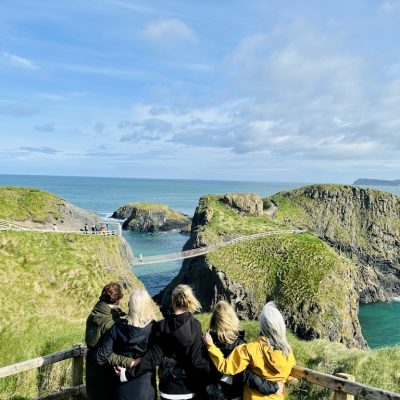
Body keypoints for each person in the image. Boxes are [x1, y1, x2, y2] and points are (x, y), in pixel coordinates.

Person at [123, 284, 211, 400]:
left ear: (173, 301)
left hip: (168, 389)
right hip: (189, 387)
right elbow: (197, 360)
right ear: (189, 300)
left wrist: (127, 374)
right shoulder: (195, 325)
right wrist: (218, 373)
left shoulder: (161, 326)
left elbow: (153, 357)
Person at [203, 302, 295, 400]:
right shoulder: (288, 353)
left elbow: (225, 367)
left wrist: (211, 346)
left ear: (262, 325)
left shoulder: (250, 349)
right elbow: (290, 376)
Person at [94, 288, 158, 400]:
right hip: (145, 389)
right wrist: (133, 362)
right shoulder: (154, 329)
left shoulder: (117, 328)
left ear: (130, 306)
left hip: (121, 389)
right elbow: (157, 358)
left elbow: (100, 357)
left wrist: (126, 363)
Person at [85, 283, 135, 400]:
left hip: (91, 367)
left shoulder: (94, 313)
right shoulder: (111, 323)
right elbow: (105, 355)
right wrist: (130, 362)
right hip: (106, 371)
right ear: (117, 300)